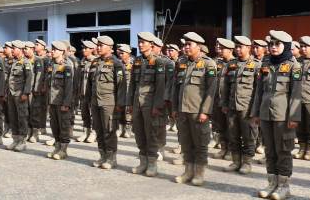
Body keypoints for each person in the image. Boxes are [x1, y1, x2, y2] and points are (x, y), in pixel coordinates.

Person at [251, 30, 302, 200]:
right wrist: (256, 112)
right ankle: (271, 183)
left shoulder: (294, 66)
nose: (272, 47)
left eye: (277, 44)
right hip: (266, 114)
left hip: (283, 116)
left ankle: (283, 186)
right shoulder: (266, 63)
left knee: (283, 150)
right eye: (271, 44)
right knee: (270, 150)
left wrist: (294, 117)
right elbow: (259, 91)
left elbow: (296, 94)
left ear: (286, 46)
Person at [172, 32, 217, 186]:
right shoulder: (182, 62)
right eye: (184, 45)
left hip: (198, 112)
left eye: (188, 45)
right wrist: (174, 107)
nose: (185, 47)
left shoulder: (208, 64)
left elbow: (211, 90)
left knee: (200, 144)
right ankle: (188, 171)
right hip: (183, 110)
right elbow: (175, 88)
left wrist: (205, 111)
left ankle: (199, 173)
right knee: (186, 143)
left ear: (198, 46)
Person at [128, 32, 167, 176]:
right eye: (139, 42)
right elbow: (132, 83)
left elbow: (161, 86)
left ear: (151, 44)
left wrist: (157, 105)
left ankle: (152, 164)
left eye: (143, 42)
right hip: (137, 103)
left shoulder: (159, 62)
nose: (140, 44)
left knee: (151, 134)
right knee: (139, 133)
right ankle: (142, 163)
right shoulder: (137, 61)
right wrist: (129, 103)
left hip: (150, 104)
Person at [221, 36, 259, 174]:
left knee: (249, 136)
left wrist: (256, 110)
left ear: (248, 48)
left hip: (247, 108)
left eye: (240, 47)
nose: (237, 49)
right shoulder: (231, 64)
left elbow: (258, 89)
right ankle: (236, 161)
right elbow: (225, 87)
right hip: (231, 106)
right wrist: (224, 103)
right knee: (233, 135)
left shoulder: (256, 65)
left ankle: (247, 163)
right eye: (236, 47)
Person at [90, 36, 128, 170]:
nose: (98, 47)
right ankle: (102, 156)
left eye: (101, 45)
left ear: (110, 48)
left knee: (109, 130)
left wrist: (120, 104)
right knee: (99, 130)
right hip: (95, 102)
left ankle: (112, 158)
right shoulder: (95, 62)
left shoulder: (117, 63)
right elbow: (90, 84)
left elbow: (122, 85)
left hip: (109, 103)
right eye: (98, 45)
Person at [46, 40, 75, 160]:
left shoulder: (67, 65)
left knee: (64, 126)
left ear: (62, 52)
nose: (52, 51)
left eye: (55, 50)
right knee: (54, 125)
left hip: (62, 101)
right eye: (52, 49)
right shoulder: (51, 64)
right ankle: (57, 147)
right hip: (52, 101)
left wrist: (66, 103)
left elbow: (69, 87)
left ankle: (63, 150)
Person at [6, 40, 34, 151]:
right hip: (11, 94)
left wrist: (26, 93)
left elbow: (29, 79)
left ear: (21, 50)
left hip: (20, 94)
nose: (12, 50)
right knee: (13, 117)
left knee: (22, 117)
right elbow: (9, 79)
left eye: (14, 48)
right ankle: (15, 139)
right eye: (12, 48)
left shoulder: (26, 62)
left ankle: (22, 141)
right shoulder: (13, 62)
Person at [211, 38, 235, 158]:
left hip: (229, 101)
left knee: (230, 127)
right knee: (220, 125)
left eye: (222, 48)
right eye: (219, 48)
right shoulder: (218, 62)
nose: (219, 50)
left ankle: (231, 150)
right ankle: (223, 147)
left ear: (230, 50)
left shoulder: (235, 64)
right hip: (217, 99)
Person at [77, 40, 97, 143]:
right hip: (83, 92)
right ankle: (86, 131)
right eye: (83, 48)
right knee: (84, 114)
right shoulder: (83, 61)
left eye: (86, 48)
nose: (83, 50)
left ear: (92, 49)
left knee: (93, 114)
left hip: (92, 93)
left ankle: (94, 132)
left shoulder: (96, 61)